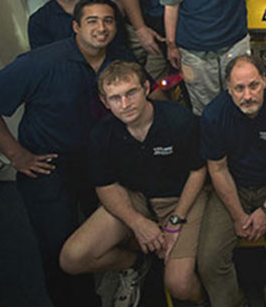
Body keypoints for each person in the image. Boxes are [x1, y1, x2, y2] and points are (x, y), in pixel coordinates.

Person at [0, 0, 135, 307]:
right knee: (58, 247)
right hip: (49, 165)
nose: (101, 28)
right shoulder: (40, 62)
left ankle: (123, 271)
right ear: (75, 26)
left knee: (114, 229)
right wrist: (16, 155)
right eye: (92, 21)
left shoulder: (121, 61)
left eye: (108, 20)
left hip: (101, 163)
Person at [59, 60, 207, 306]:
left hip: (179, 200)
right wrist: (137, 223)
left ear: (146, 88)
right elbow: (105, 186)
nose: (125, 104)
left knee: (179, 284)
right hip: (135, 199)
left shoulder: (178, 119)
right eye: (115, 98)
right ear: (105, 102)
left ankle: (204, 302)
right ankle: (135, 263)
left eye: (131, 93)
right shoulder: (101, 135)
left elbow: (198, 172)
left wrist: (175, 221)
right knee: (72, 259)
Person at [197, 55, 266, 306]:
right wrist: (237, 215)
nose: (248, 95)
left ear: (265, 81)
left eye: (253, 85)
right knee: (209, 260)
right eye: (239, 88)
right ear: (229, 89)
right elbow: (218, 169)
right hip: (232, 188)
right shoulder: (214, 114)